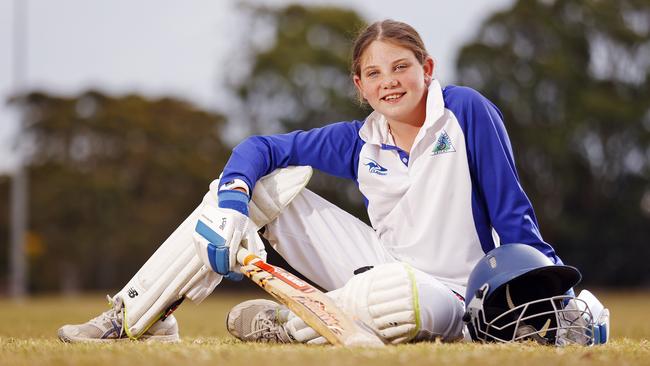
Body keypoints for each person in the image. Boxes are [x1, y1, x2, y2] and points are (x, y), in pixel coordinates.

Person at [58, 19, 600, 345]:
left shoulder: (465, 112)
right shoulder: (359, 139)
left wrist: (555, 287)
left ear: (427, 68)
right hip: (383, 264)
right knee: (259, 186)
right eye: (375, 73)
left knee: (399, 297)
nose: (390, 82)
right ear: (359, 84)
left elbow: (513, 214)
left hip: (460, 293)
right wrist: (232, 199)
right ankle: (138, 313)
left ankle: (289, 321)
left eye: (401, 67)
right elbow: (262, 148)